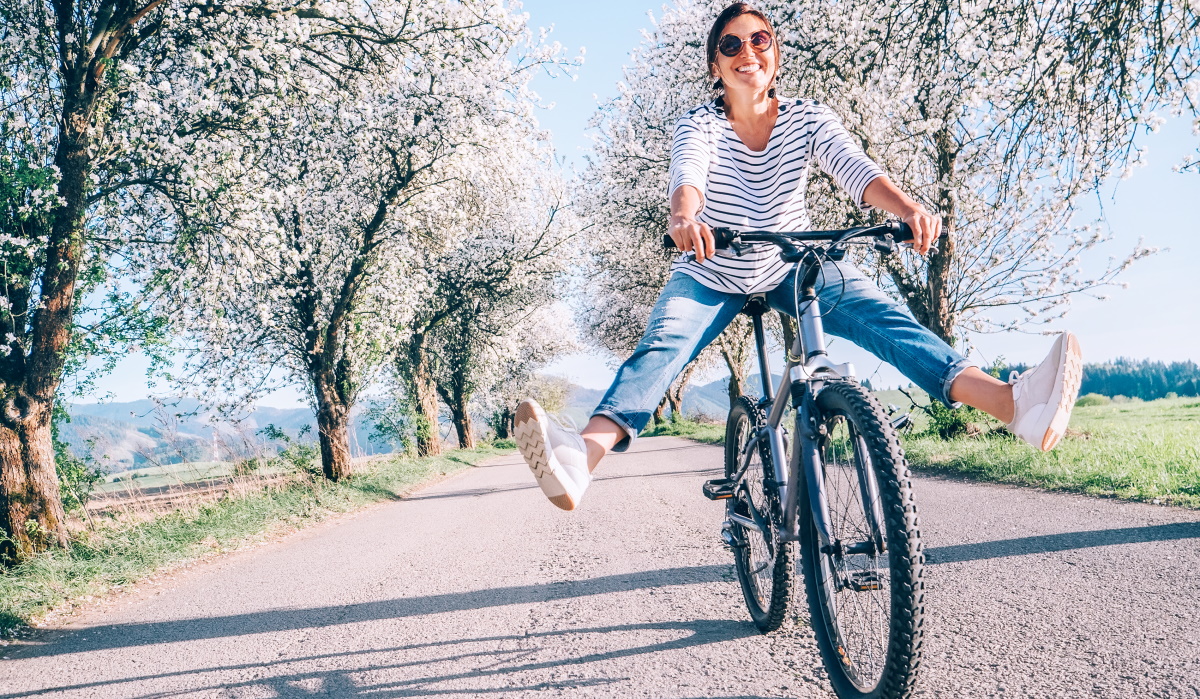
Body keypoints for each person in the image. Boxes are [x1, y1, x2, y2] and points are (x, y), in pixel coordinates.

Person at [513, 2, 1082, 511]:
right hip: (713, 268)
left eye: (759, 40)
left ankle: (1013, 405)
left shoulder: (808, 118)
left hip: (792, 263)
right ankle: (580, 459)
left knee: (886, 321)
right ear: (716, 66)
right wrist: (685, 219)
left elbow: (855, 169)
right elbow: (689, 178)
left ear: (775, 55)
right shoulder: (701, 124)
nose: (747, 52)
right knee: (662, 346)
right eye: (731, 45)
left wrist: (908, 209)